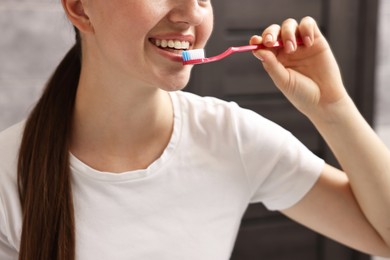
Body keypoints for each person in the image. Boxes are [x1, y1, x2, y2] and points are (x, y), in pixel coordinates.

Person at [0, 0, 389, 259]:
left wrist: (332, 108)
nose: (190, 13)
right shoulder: (7, 175)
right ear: (81, 8)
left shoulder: (232, 138)